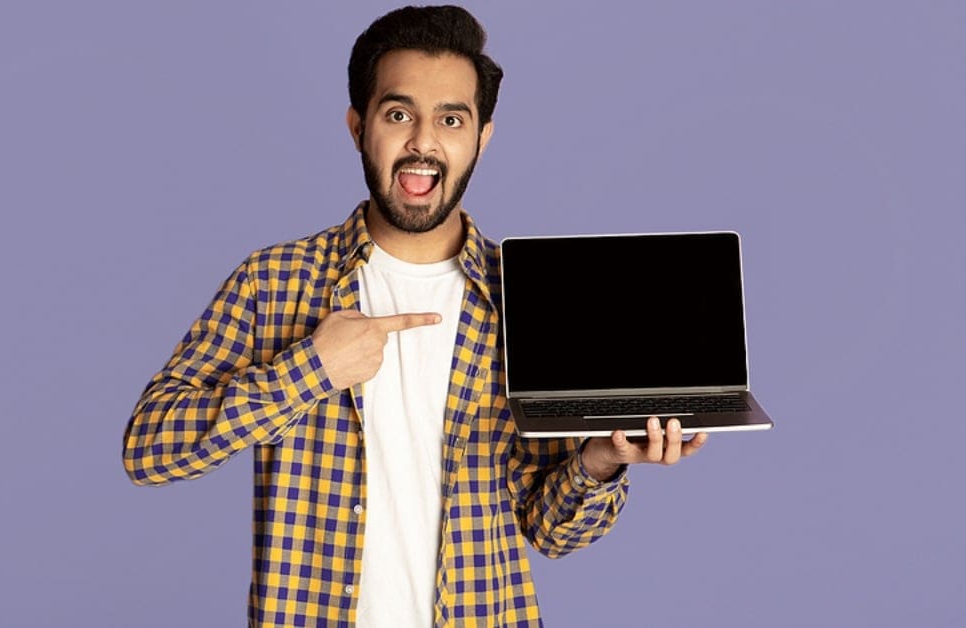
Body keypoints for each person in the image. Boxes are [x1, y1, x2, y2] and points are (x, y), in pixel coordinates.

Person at [122, 5, 708, 626]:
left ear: (481, 136)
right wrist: (311, 371)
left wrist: (600, 460)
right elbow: (150, 451)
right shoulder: (276, 281)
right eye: (398, 114)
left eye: (450, 119)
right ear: (357, 126)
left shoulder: (528, 298)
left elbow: (550, 532)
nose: (423, 142)